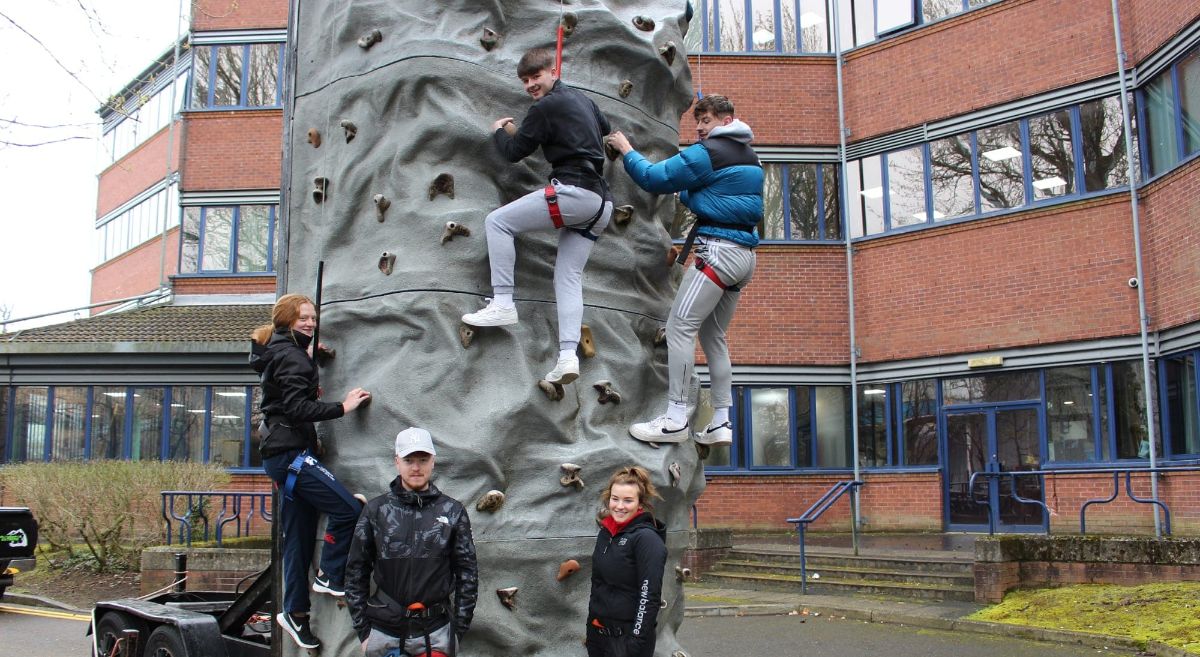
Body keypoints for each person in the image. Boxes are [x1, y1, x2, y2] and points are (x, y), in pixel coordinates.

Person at [607, 94, 763, 446]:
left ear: (726, 120)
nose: (700, 129)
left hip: (717, 253)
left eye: (705, 121)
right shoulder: (750, 157)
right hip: (744, 258)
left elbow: (654, 177)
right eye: (698, 122)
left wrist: (625, 147)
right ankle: (722, 422)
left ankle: (675, 418)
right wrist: (695, 196)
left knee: (679, 328)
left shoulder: (709, 153)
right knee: (714, 338)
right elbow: (721, 198)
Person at [461, 47, 614, 386]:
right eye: (526, 80)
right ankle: (567, 357)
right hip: (601, 204)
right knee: (568, 278)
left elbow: (516, 152)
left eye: (536, 77)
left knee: (498, 222)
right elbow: (603, 127)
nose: (531, 85)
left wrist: (501, 129)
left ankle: (502, 301)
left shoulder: (544, 107)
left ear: (552, 70)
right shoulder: (583, 101)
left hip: (574, 192)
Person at [250, 293, 373, 650]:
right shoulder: (291, 357)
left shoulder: (280, 352)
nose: (310, 323)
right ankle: (330, 575)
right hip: (290, 454)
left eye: (313, 318)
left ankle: (294, 613)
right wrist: (343, 407)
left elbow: (285, 394)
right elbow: (297, 407)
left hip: (281, 454)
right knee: (349, 508)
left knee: (299, 538)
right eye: (303, 317)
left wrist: (308, 358)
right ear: (287, 320)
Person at [345, 428, 479, 657]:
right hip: (383, 633)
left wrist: (458, 631)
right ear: (397, 462)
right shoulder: (376, 510)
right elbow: (355, 571)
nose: (416, 467)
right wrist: (364, 632)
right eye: (409, 460)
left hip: (437, 632)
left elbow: (468, 573)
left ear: (433, 462)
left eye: (423, 459)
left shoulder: (453, 511)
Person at [586, 466, 667, 657]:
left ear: (640, 503)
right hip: (598, 636)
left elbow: (649, 596)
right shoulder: (606, 533)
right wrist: (591, 630)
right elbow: (598, 585)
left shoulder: (647, 539)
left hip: (628, 641)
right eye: (615, 499)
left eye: (628, 500)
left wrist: (635, 642)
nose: (619, 506)